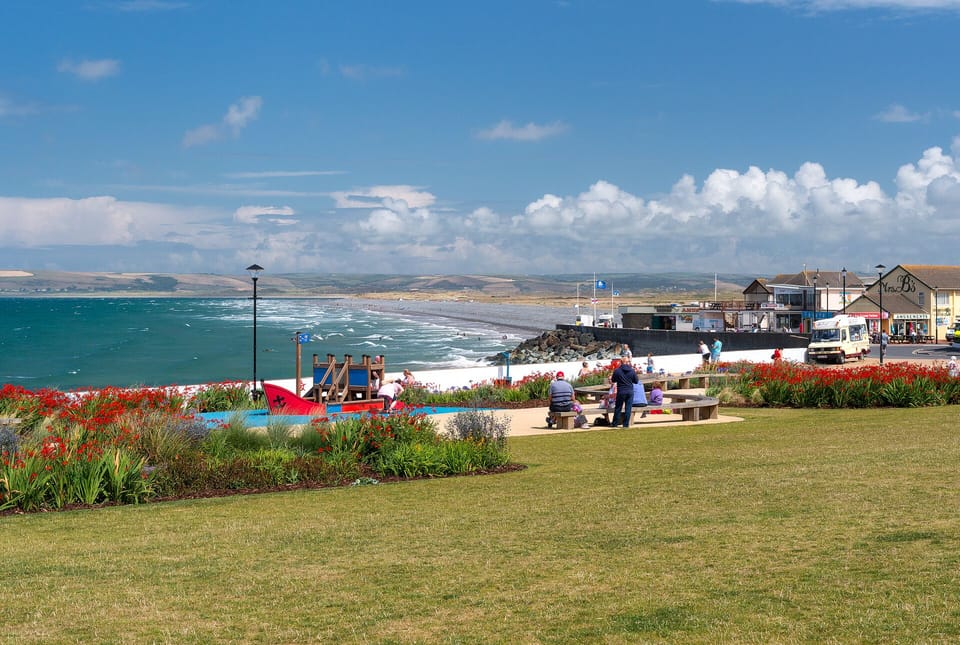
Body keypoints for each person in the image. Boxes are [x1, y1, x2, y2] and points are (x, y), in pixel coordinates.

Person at [610, 357, 639, 428]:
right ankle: (625, 424)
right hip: (629, 391)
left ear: (621, 362)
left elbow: (613, 380)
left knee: (618, 408)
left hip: (621, 391)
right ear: (627, 362)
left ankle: (615, 423)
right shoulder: (632, 371)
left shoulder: (617, 370)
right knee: (628, 408)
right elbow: (636, 381)